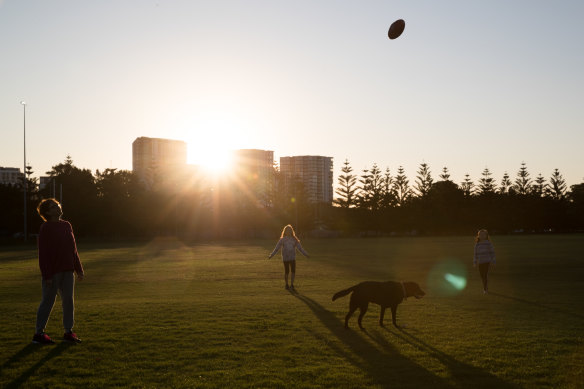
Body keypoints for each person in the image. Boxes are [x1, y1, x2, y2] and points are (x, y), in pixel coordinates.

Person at [32, 198, 84, 344]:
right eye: (54, 206)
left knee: (68, 302)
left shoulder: (67, 225)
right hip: (53, 272)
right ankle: (39, 334)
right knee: (47, 302)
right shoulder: (46, 228)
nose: (58, 207)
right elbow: (43, 253)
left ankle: (68, 332)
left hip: (68, 271)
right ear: (47, 212)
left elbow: (73, 249)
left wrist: (78, 269)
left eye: (58, 205)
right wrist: (47, 275)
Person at [268, 224, 309, 291]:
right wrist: (271, 255)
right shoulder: (282, 240)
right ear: (285, 231)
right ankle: (286, 284)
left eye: (290, 230)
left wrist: (306, 254)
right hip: (285, 258)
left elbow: (300, 248)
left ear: (292, 231)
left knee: (293, 271)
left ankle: (292, 284)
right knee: (287, 271)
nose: (288, 231)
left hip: (292, 257)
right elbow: (277, 248)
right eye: (287, 230)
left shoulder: (294, 239)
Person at [473, 229, 496, 294]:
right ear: (478, 236)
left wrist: (493, 260)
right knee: (482, 275)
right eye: (480, 234)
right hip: (480, 262)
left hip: (487, 261)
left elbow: (492, 252)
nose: (482, 236)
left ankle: (485, 289)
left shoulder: (488, 244)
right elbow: (475, 254)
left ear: (486, 236)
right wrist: (475, 261)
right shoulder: (477, 244)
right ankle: (485, 286)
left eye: (483, 234)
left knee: (485, 275)